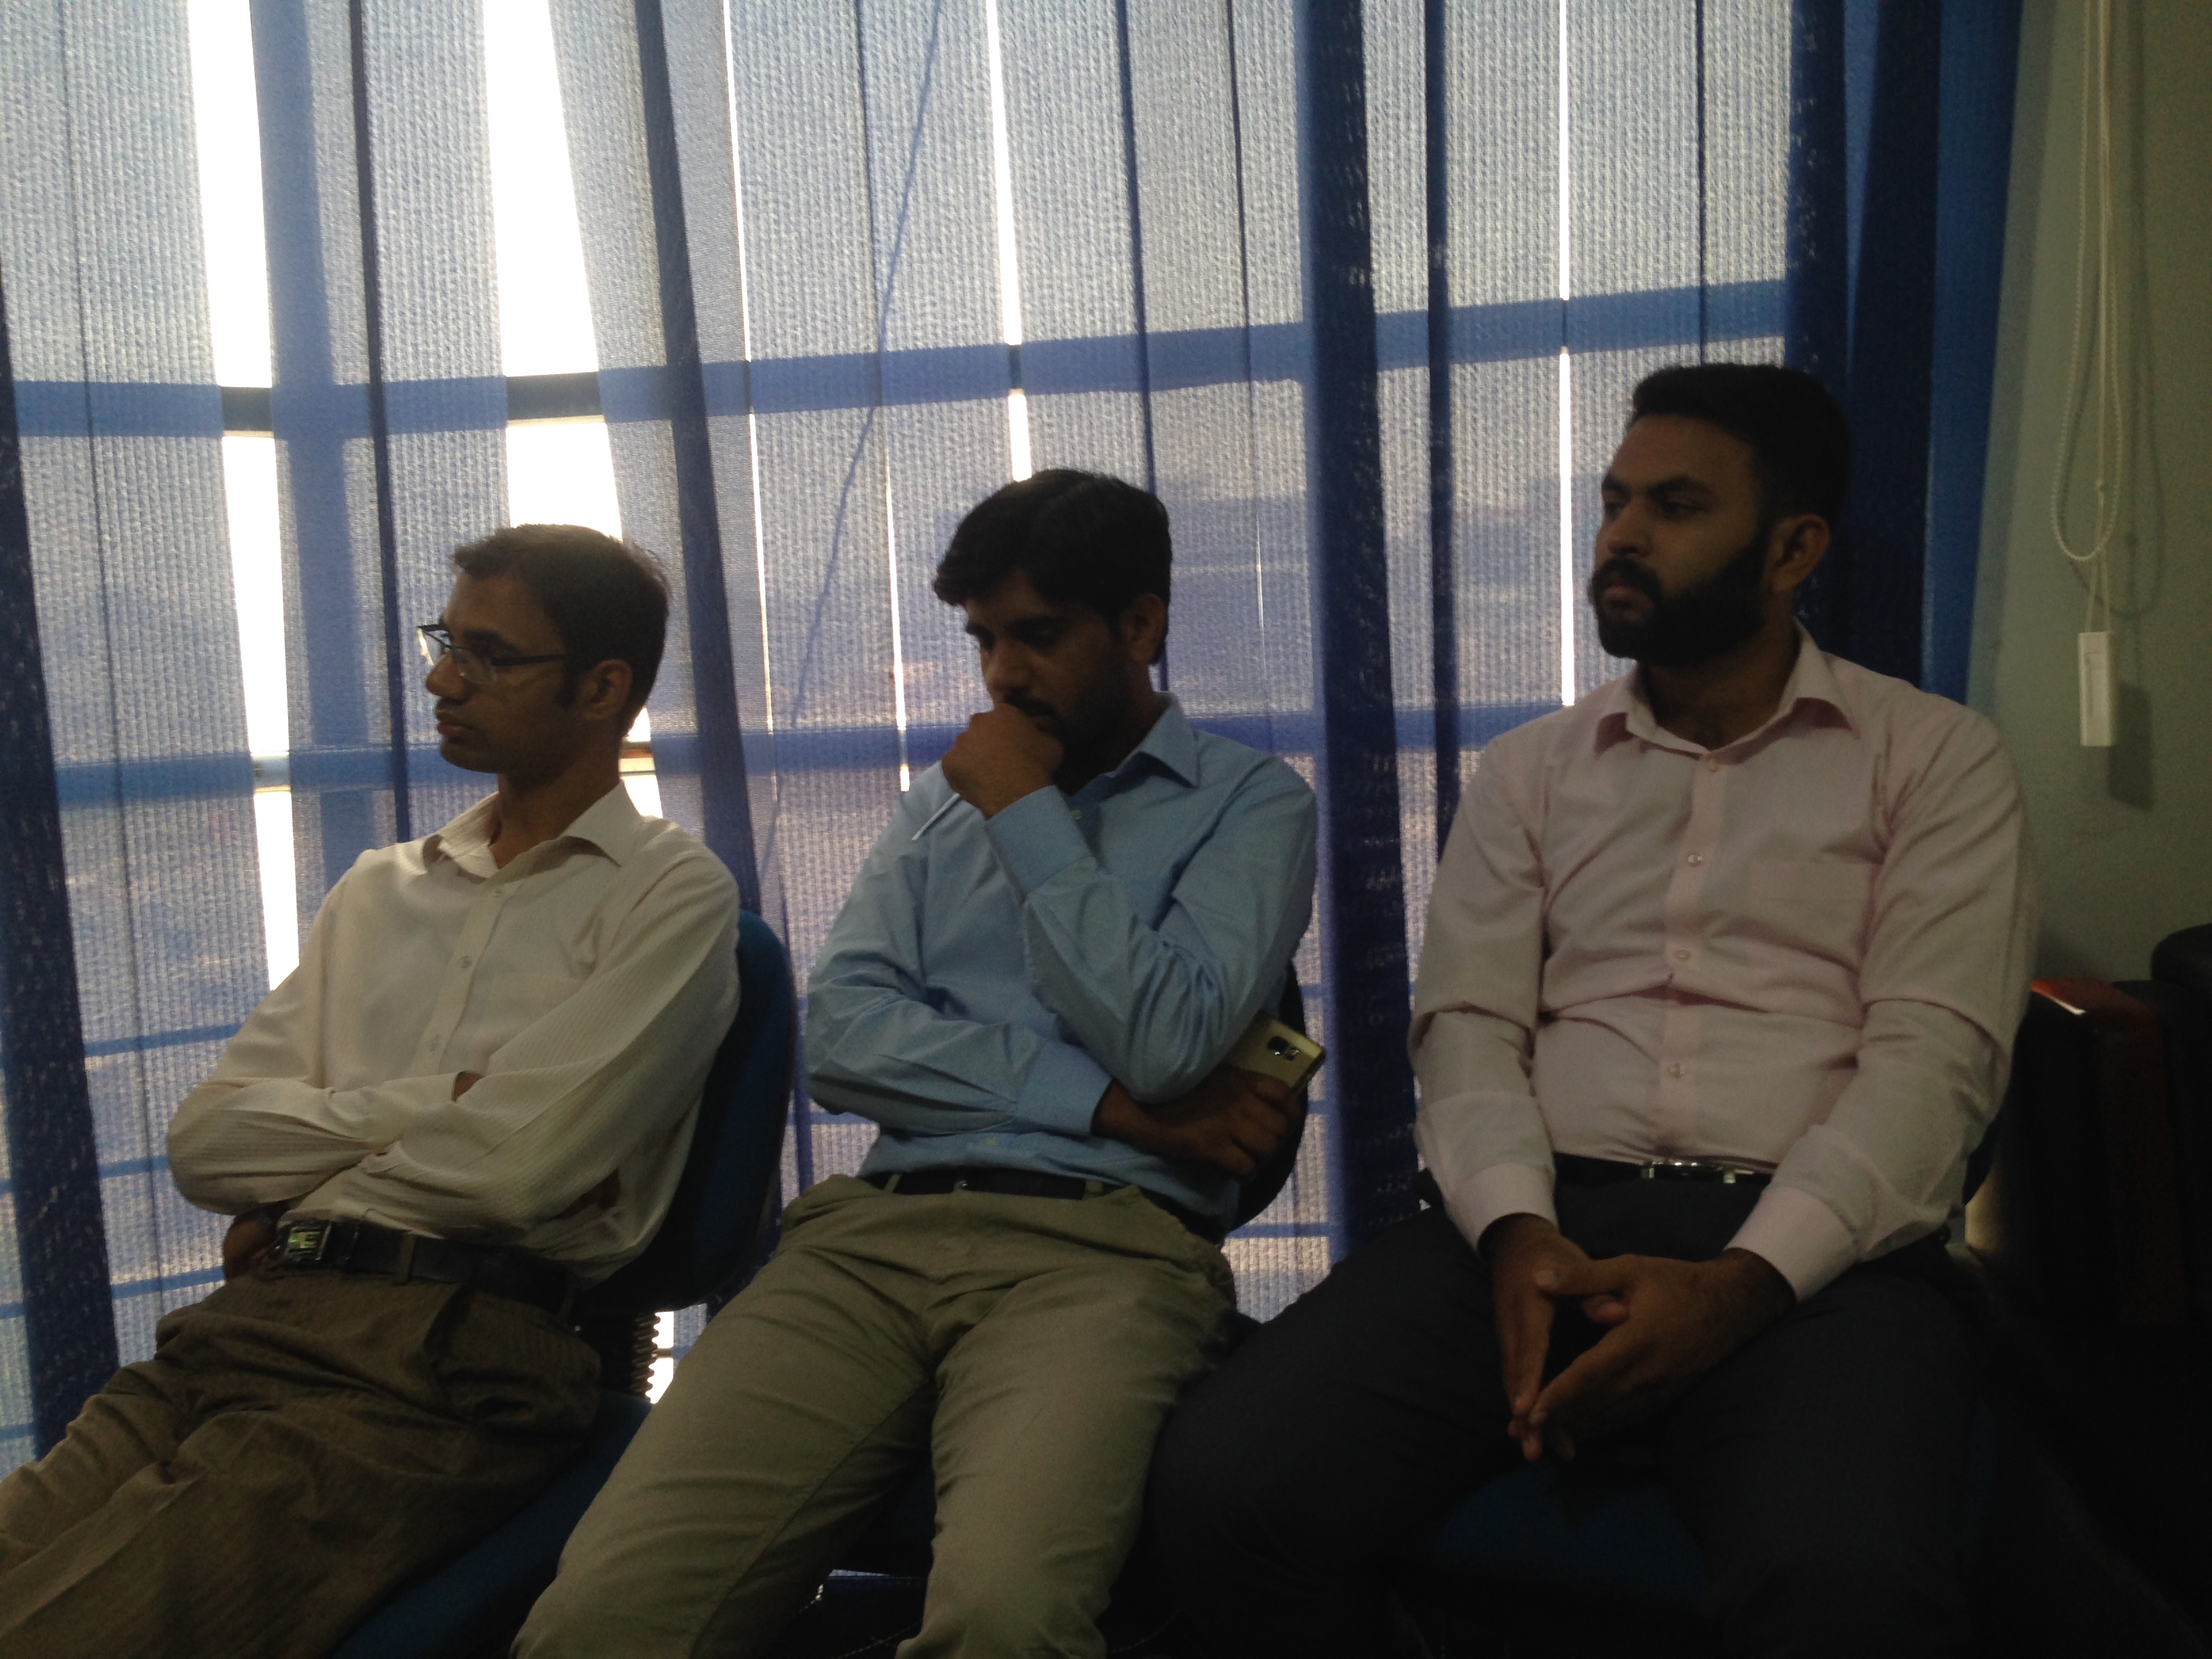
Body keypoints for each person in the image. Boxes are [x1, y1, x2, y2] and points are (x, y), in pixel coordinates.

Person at [1151, 363, 2037, 1657]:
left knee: (1846, 1588)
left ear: (1794, 549)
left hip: (1818, 1257)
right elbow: (1467, 1032)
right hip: (1536, 1221)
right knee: (1223, 1489)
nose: (1621, 533)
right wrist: (1517, 1232)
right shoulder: (1531, 772)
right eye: (1616, 499)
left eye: (1675, 506)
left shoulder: (1936, 760)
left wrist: (1743, 1286)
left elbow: (1934, 1069)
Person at [518, 470, 1318, 1658]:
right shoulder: (938, 809)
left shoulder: (1250, 805)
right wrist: (1113, 1107)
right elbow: (844, 1039)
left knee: (1004, 1622)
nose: (1003, 675)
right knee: (598, 1623)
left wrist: (1024, 813)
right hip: (870, 1240)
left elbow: (1167, 1040)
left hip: (1104, 1253)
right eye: (985, 640)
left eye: (1039, 635)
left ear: (1141, 625)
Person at [0, 525, 739, 1659]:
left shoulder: (670, 895)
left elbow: (519, 1174)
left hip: (443, 1362)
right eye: (447, 642)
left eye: (490, 656)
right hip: (243, 1330)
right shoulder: (378, 890)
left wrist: (308, 1185)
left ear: (602, 688)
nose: (443, 681)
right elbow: (206, 1145)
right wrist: (448, 1099)